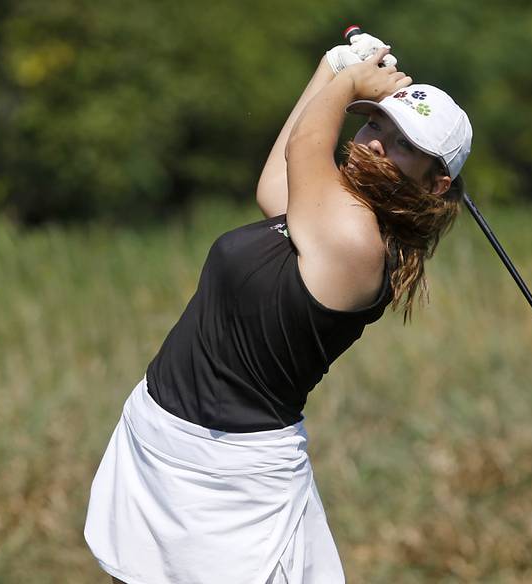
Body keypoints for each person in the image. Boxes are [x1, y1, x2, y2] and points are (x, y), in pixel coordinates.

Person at [84, 33, 472, 584]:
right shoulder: (330, 214)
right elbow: (275, 181)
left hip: (228, 480)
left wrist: (348, 84)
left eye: (401, 142)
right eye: (374, 125)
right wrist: (330, 68)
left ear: (437, 185)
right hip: (161, 437)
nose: (373, 143)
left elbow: (304, 146)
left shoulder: (357, 243)